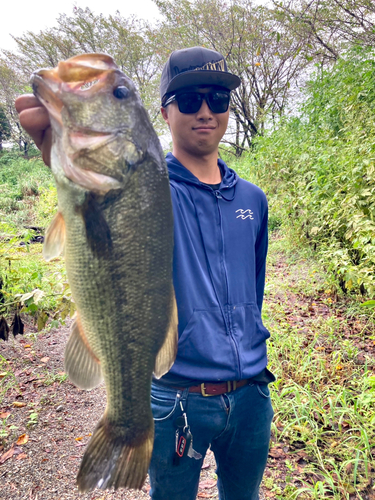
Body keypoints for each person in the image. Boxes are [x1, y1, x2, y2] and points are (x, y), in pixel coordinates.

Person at [15, 46, 274, 500]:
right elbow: (107, 194)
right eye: (190, 101)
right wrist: (65, 156)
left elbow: (255, 290)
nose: (206, 111)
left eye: (217, 98)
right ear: (164, 113)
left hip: (254, 394)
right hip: (176, 399)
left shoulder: (253, 199)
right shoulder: (151, 184)